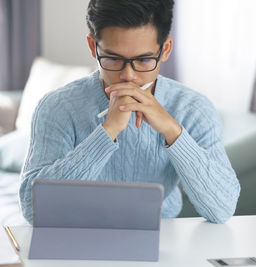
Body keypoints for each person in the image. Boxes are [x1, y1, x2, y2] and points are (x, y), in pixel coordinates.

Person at [19, 0, 240, 224]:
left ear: (165, 49)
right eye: (113, 59)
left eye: (144, 60)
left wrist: (172, 131)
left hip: (161, 241)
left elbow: (222, 209)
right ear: (92, 46)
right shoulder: (58, 107)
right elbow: (32, 209)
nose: (128, 76)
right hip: (73, 238)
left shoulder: (193, 109)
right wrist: (108, 131)